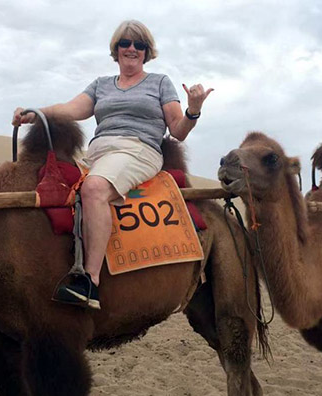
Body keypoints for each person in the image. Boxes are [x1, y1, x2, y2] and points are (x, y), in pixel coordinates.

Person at [12, 19, 213, 309]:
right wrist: (35, 114)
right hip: (97, 153)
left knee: (93, 189)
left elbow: (177, 130)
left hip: (138, 149)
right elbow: (71, 109)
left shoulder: (160, 83)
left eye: (139, 44)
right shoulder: (101, 85)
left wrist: (193, 110)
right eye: (125, 43)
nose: (132, 48)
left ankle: (89, 281)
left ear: (146, 52)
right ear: (116, 49)